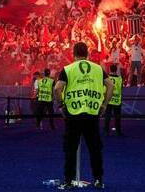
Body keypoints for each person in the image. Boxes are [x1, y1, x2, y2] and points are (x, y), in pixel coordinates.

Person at [54, 42, 114, 190]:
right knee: (94, 148)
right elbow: (110, 85)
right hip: (92, 114)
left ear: (73, 54)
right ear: (88, 54)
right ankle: (98, 180)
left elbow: (57, 88)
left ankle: (68, 181)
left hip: (73, 114)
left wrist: (61, 105)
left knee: (70, 148)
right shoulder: (98, 69)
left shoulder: (68, 69)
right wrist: (104, 105)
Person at [104, 64, 123, 136]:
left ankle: (106, 131)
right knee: (117, 116)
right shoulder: (120, 78)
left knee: (107, 115)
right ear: (116, 70)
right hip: (117, 100)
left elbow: (104, 88)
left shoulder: (107, 78)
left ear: (110, 69)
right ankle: (118, 131)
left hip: (108, 99)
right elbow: (121, 88)